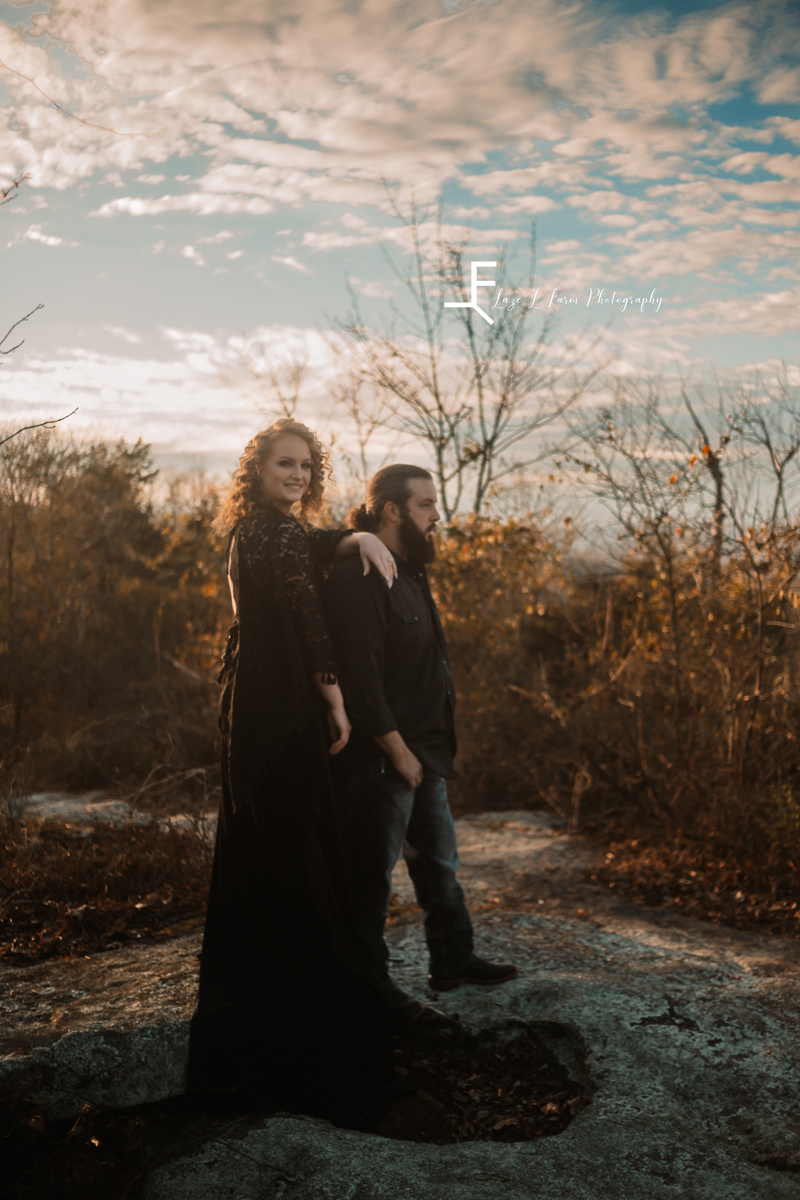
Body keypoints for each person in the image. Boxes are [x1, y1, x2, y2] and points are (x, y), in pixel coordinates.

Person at [185, 419, 401, 1131]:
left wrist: (353, 536)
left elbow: (304, 547)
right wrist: (335, 697)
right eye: (286, 464)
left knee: (265, 865)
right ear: (258, 470)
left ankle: (265, 1023)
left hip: (249, 711)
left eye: (308, 465)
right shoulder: (271, 531)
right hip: (280, 715)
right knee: (296, 862)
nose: (300, 475)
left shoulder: (255, 531)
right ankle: (310, 1040)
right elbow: (308, 612)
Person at [326, 464, 518, 1016]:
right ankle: (366, 987)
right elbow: (360, 680)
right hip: (380, 759)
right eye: (427, 505)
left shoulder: (409, 569)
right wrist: (398, 752)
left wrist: (421, 754)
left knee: (439, 865)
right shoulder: (358, 577)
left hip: (423, 753)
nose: (438, 516)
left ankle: (453, 959)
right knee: (371, 880)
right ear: (392, 510)